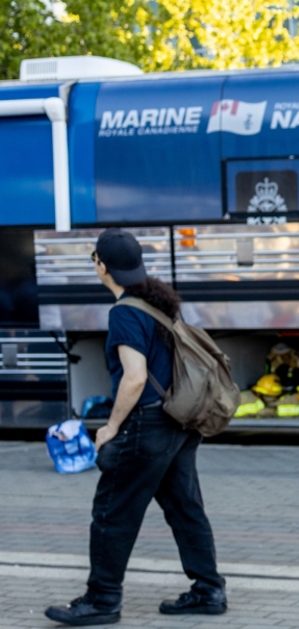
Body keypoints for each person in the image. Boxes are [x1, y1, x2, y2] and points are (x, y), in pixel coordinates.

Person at [46, 229, 226, 626]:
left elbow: (134, 377)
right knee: (185, 506)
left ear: (101, 266)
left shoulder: (125, 311)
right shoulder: (159, 305)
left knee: (113, 510)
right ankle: (208, 589)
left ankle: (102, 599)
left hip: (146, 425)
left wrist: (111, 427)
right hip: (179, 422)